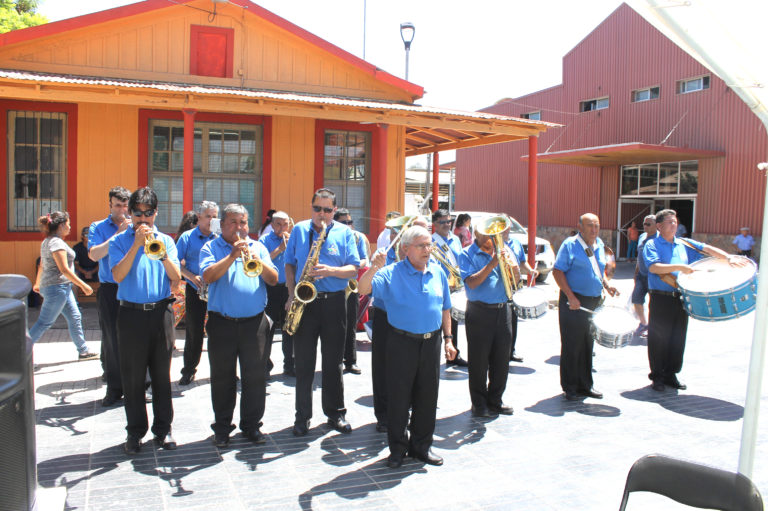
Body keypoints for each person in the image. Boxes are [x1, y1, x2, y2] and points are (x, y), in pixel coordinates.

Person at [360, 226, 457, 469]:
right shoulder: (390, 273)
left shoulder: (438, 272)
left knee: (427, 397)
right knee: (399, 398)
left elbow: (445, 307)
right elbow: (362, 289)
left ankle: (421, 447)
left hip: (431, 342)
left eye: (429, 245)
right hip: (401, 343)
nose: (428, 250)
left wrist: (448, 339)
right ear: (406, 249)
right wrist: (374, 267)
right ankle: (398, 449)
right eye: (422, 246)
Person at [110, 187, 181, 455]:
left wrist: (161, 253)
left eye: (148, 213)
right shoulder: (119, 241)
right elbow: (117, 275)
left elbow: (176, 278)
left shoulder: (166, 240)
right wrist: (136, 245)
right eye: (138, 213)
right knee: (133, 378)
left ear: (155, 213)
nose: (143, 219)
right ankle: (135, 432)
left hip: (160, 313)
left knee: (162, 376)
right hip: (130, 314)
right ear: (130, 213)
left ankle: (164, 430)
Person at [199, 203, 278, 447]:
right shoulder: (211, 247)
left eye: (243, 222)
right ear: (222, 225)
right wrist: (232, 255)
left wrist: (257, 260)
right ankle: (222, 428)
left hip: (254, 324)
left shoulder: (259, 246)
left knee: (254, 377)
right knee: (222, 378)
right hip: (222, 323)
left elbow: (273, 279)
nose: (239, 227)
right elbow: (208, 276)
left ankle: (252, 426)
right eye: (233, 222)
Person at [284, 188, 361, 436]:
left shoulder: (344, 232)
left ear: (334, 211)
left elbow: (352, 269)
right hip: (305, 303)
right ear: (311, 207)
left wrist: (330, 271)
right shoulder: (299, 230)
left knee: (333, 363)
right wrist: (290, 295)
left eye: (328, 210)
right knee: (304, 363)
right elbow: (289, 263)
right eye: (318, 208)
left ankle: (336, 414)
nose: (322, 214)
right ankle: (302, 417)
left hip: (334, 302)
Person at [643, 209, 745, 392]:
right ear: (659, 226)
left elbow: (705, 248)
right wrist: (680, 267)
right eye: (670, 222)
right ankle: (657, 375)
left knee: (677, 337)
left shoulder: (683, 243)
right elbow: (654, 268)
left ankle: (671, 374)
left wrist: (728, 257)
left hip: (681, 297)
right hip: (661, 297)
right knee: (659, 338)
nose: (674, 225)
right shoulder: (652, 244)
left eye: (675, 221)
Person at [552, 213, 617, 401]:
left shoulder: (599, 245)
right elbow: (558, 271)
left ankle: (586, 384)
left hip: (593, 301)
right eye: (590, 225)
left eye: (597, 225)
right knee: (572, 344)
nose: (594, 229)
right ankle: (570, 387)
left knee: (588, 344)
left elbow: (599, 270)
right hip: (573, 301)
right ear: (580, 227)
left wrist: (607, 285)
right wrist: (571, 297)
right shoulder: (570, 245)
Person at [459, 225, 516, 418]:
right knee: (478, 361)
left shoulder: (503, 251)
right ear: (476, 233)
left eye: (494, 233)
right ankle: (479, 403)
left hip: (503, 310)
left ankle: (496, 400)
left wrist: (512, 266)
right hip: (479, 311)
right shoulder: (467, 254)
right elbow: (472, 283)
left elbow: (516, 281)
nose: (491, 236)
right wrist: (493, 263)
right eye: (486, 233)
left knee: (502, 359)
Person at [29, 211, 97, 360]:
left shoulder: (50, 240)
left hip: (61, 288)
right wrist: (83, 285)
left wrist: (37, 283)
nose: (70, 227)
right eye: (68, 223)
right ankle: (19, 354)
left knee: (74, 316)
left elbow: (42, 264)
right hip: (57, 288)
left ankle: (83, 351)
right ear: (61, 225)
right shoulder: (56, 243)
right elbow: (64, 269)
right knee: (44, 322)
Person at [88, 186, 132, 407]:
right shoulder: (98, 227)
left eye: (126, 206)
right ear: (110, 205)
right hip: (109, 289)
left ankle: (140, 386)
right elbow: (94, 254)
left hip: (133, 288)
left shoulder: (138, 226)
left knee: (135, 338)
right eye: (118, 205)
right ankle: (115, 388)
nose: (123, 210)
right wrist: (118, 234)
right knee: (112, 340)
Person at [175, 201, 218, 385]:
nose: (211, 220)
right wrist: (192, 277)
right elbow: (175, 263)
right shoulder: (187, 237)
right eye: (208, 216)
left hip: (217, 290)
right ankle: (188, 370)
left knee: (220, 332)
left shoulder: (221, 237)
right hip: (195, 289)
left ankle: (223, 371)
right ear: (199, 217)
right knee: (194, 333)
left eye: (215, 216)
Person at [334, 207, 369, 375]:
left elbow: (364, 259)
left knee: (351, 325)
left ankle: (351, 361)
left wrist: (354, 265)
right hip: (334, 286)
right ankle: (335, 360)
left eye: (350, 222)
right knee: (334, 326)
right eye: (343, 222)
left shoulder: (357, 238)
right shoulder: (330, 237)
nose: (348, 225)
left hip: (351, 285)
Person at [260, 211, 294, 377]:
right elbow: (263, 261)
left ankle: (290, 364)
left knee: (290, 327)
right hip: (271, 288)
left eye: (285, 224)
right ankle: (265, 365)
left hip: (288, 287)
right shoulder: (264, 241)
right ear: (272, 225)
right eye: (278, 224)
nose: (282, 228)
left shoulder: (294, 239)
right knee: (269, 328)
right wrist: (280, 249)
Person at [432, 209, 467, 367]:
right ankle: (432, 356)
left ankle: (453, 355)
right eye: (443, 222)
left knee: (452, 324)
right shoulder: (431, 241)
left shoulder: (455, 239)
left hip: (454, 288)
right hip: (438, 287)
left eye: (449, 221)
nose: (447, 225)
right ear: (435, 224)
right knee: (436, 324)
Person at [502, 218, 538, 362]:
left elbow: (522, 262)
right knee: (503, 321)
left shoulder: (515, 243)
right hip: (502, 287)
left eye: (508, 226)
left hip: (515, 286)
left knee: (514, 319)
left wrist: (531, 271)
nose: (507, 230)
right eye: (504, 227)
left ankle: (512, 350)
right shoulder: (494, 244)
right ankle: (502, 352)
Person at [631, 215, 657, 337]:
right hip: (641, 275)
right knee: (636, 299)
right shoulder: (641, 237)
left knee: (654, 304)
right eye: (644, 224)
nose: (645, 226)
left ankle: (653, 327)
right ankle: (643, 323)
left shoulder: (659, 239)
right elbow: (639, 258)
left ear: (657, 225)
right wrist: (636, 273)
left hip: (654, 277)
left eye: (648, 224)